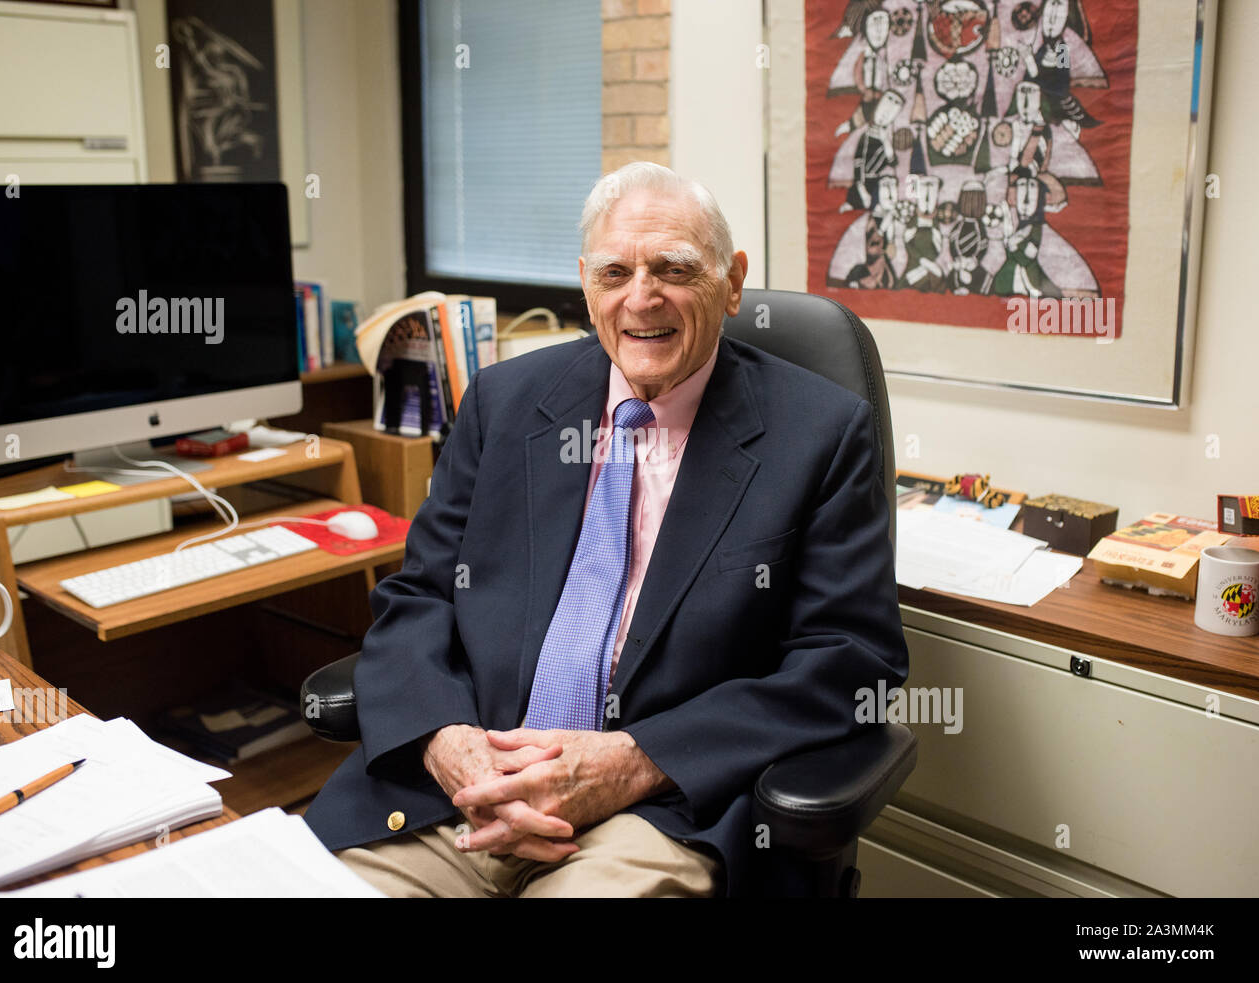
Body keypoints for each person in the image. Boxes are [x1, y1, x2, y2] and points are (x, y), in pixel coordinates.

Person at [304, 162, 908, 897]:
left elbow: (848, 660)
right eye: (615, 272)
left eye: (674, 269)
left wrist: (632, 760)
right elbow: (420, 596)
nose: (641, 298)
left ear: (732, 280)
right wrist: (445, 741)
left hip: (658, 807)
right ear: (586, 282)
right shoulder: (506, 401)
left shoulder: (818, 431)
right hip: (458, 793)